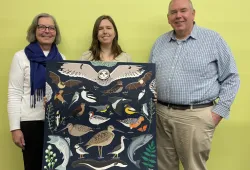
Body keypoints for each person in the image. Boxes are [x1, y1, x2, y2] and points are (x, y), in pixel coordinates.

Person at [149, 0, 240, 170]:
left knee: (194, 167)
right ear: (168, 18)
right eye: (173, 12)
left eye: (183, 10)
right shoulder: (160, 43)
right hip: (161, 116)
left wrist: (217, 113)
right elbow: (150, 79)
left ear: (193, 14)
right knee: (163, 167)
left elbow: (231, 77)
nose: (178, 16)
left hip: (195, 117)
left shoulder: (213, 40)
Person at [8, 13, 65, 170]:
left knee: (57, 166)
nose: (47, 31)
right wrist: (15, 128)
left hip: (55, 123)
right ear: (35, 30)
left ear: (56, 32)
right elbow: (14, 94)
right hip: (30, 123)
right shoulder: (21, 57)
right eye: (42, 27)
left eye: (51, 28)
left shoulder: (61, 59)